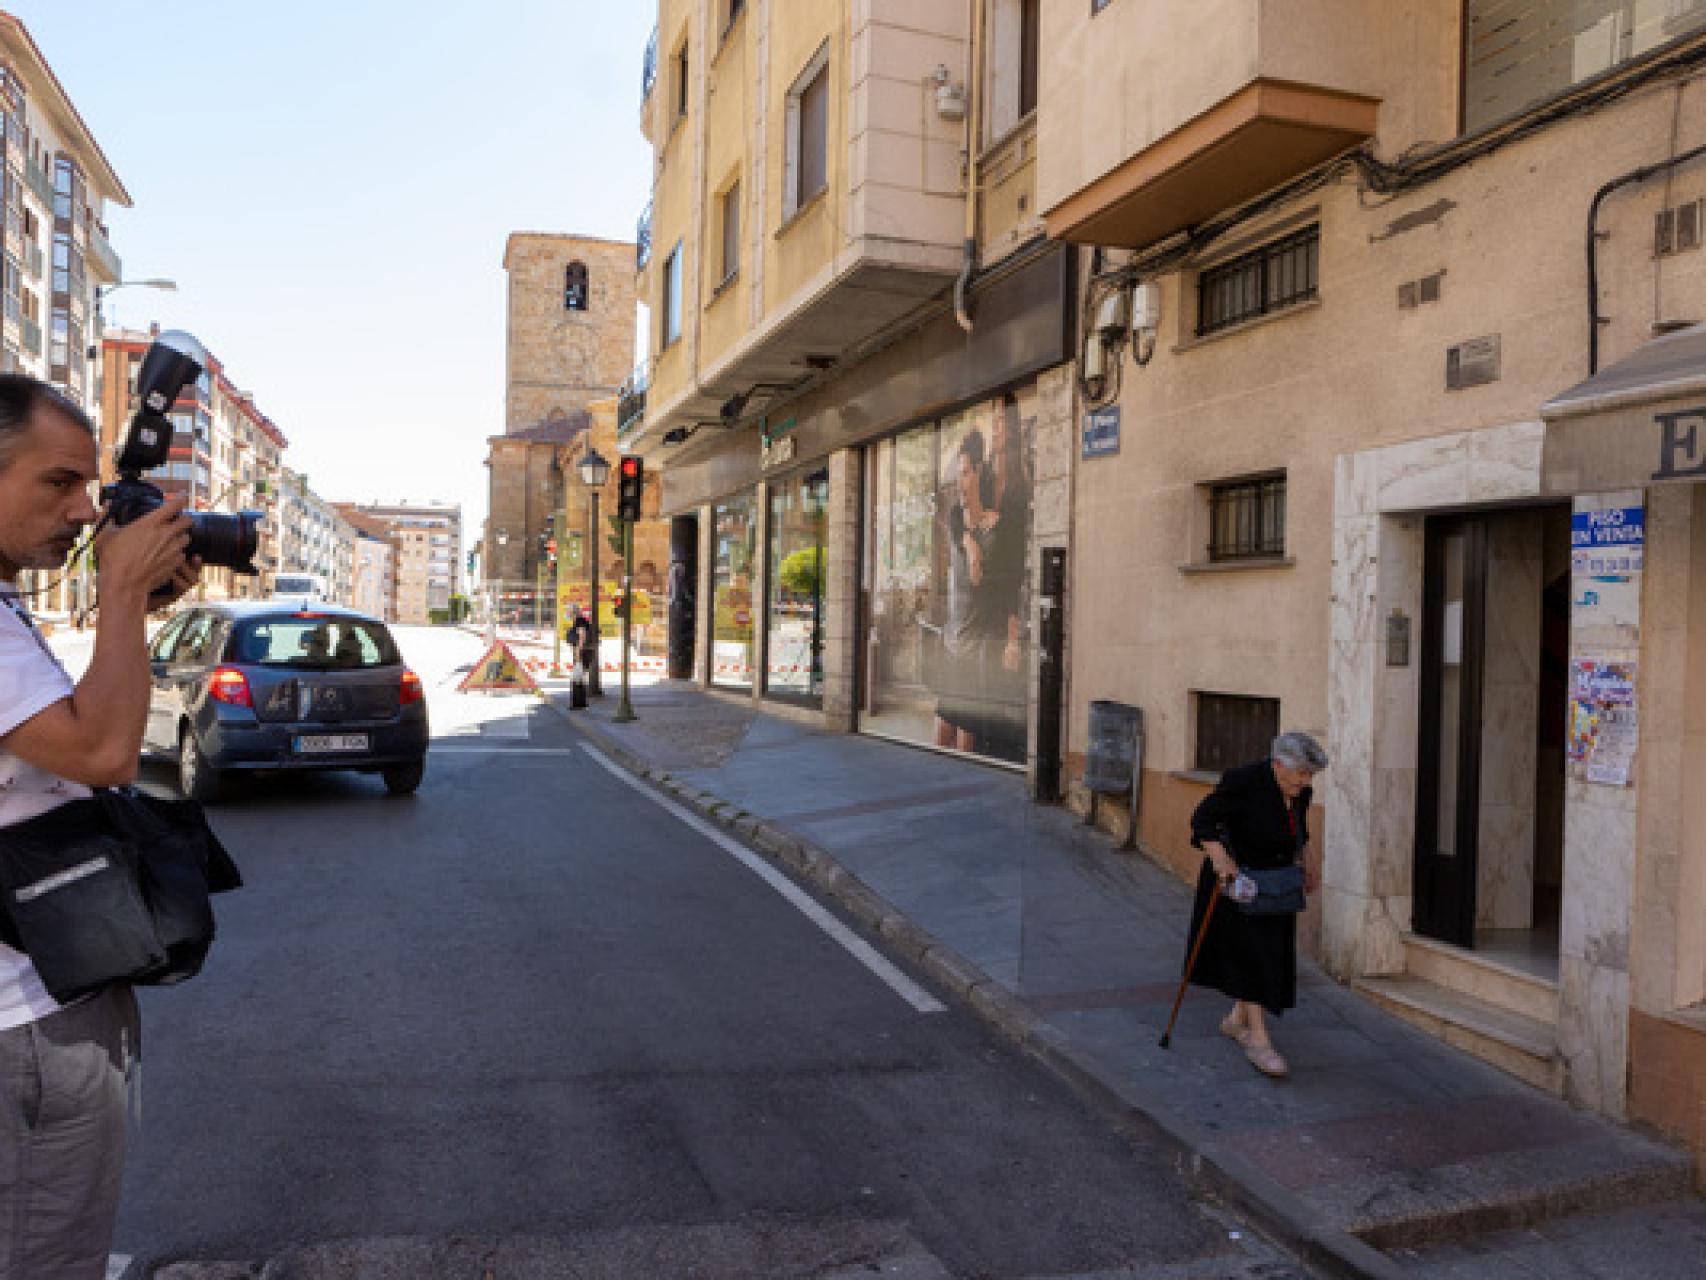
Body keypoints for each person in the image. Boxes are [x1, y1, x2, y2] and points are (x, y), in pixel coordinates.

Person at [0, 375, 200, 1278]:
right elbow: (108, 751)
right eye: (58, 482)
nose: (84, 510)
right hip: (24, 1024)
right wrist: (118, 596)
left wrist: (134, 618)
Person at [1183, 731, 1330, 1079]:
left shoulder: (1299, 791)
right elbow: (1202, 821)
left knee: (1268, 955)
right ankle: (1258, 1040)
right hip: (1238, 883)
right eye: (1302, 774)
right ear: (1278, 765)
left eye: (1310, 775)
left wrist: (1309, 863)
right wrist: (1219, 858)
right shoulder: (1243, 781)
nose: (1306, 782)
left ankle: (1236, 1020)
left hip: (1275, 885)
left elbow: (1300, 830)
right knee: (1251, 956)